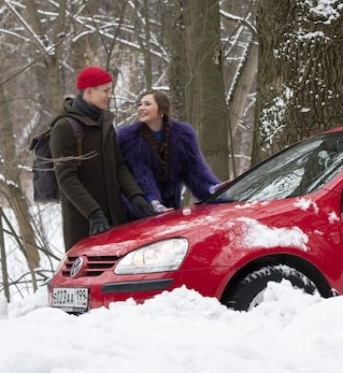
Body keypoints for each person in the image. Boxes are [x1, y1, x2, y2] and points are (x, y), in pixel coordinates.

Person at [50, 66, 155, 250]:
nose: (109, 95)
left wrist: (136, 196)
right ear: (89, 91)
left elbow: (119, 166)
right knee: (90, 278)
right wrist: (93, 213)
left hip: (116, 220)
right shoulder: (63, 128)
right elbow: (66, 179)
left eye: (110, 90)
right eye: (105, 91)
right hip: (85, 224)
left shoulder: (105, 123)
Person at [117, 89, 223, 213]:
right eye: (140, 104)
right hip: (140, 208)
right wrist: (152, 202)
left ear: (162, 110)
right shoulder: (129, 139)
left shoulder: (183, 135)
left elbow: (195, 170)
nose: (141, 108)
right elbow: (139, 175)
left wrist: (212, 188)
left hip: (171, 208)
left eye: (147, 104)